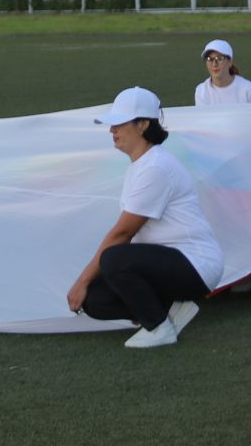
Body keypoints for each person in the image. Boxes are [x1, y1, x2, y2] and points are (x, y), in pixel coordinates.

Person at [66, 87, 222, 349]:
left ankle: (159, 327)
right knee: (94, 300)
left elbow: (122, 234)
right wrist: (86, 286)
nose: (111, 130)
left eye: (119, 123)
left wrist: (81, 280)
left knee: (113, 258)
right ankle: (170, 309)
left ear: (142, 125)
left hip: (195, 264)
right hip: (168, 262)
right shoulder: (142, 164)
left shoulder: (155, 167)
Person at [193, 38, 251, 106]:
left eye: (219, 59)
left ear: (230, 62)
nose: (214, 64)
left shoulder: (248, 90)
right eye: (209, 59)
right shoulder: (201, 91)